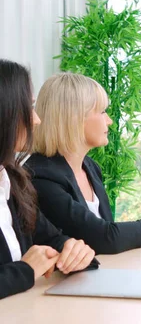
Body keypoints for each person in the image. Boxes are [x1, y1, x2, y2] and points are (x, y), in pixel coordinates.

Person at [25, 73, 141, 255]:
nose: (109, 121)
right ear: (74, 118)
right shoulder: (40, 176)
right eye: (102, 112)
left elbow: (107, 231)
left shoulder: (90, 167)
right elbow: (103, 237)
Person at [0, 60, 97, 299]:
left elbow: (51, 238)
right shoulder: (40, 173)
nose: (36, 120)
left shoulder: (12, 180)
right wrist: (26, 270)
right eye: (29, 108)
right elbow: (27, 269)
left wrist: (73, 251)